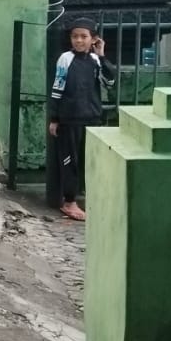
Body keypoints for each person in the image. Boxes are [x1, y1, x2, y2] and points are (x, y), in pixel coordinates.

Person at [49, 18, 116, 222]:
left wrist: (102, 55)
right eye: (75, 37)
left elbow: (109, 81)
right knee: (71, 161)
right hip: (70, 119)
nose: (79, 41)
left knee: (91, 161)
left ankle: (88, 199)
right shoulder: (65, 59)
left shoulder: (96, 61)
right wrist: (55, 118)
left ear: (93, 39)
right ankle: (69, 202)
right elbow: (57, 87)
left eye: (84, 37)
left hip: (92, 117)